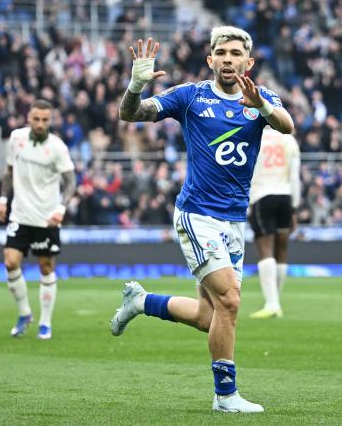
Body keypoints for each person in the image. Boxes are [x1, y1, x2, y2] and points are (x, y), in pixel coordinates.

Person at [109, 28, 294, 413]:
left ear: (249, 62)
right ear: (210, 60)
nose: (228, 59)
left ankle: (141, 302)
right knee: (229, 300)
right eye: (221, 53)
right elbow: (131, 114)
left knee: (209, 316)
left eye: (235, 53)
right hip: (197, 215)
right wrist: (135, 85)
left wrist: (260, 106)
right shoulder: (190, 97)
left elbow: (287, 125)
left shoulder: (259, 99)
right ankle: (225, 396)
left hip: (233, 222)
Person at [0, 99, 76, 340]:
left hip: (47, 217)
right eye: (36, 119)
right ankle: (24, 313)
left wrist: (61, 207)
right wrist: (2, 200)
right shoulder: (16, 139)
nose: (40, 124)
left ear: (51, 121)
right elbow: (9, 171)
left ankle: (45, 323)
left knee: (46, 267)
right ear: (28, 118)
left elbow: (71, 181)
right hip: (20, 213)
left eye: (45, 120)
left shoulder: (58, 147)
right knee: (10, 261)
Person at [248, 126, 301, 319]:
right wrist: (294, 207)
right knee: (282, 250)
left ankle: (272, 303)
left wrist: (248, 203)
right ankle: (275, 300)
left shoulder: (254, 136)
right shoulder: (289, 140)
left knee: (265, 249)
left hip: (262, 195)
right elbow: (295, 177)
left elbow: (249, 171)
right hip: (285, 195)